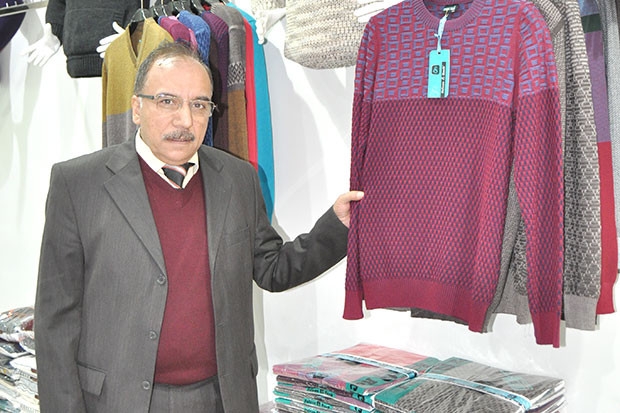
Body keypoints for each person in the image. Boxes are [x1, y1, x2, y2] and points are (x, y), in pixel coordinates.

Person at [34, 41, 364, 413]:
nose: (185, 121)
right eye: (167, 101)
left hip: (222, 397)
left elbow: (272, 269)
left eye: (199, 104)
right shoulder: (79, 184)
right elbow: (55, 322)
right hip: (119, 401)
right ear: (137, 108)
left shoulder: (237, 178)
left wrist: (337, 226)